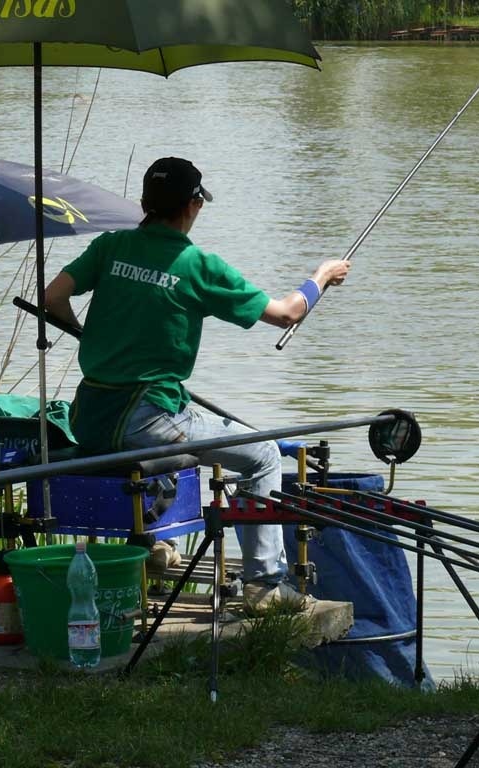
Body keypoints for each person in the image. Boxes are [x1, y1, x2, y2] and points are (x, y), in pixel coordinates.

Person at [44, 156, 350, 610]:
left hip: (89, 416)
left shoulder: (111, 247)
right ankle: (264, 586)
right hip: (148, 420)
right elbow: (288, 312)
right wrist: (322, 276)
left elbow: (52, 297)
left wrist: (87, 335)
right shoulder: (198, 265)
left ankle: (150, 546)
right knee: (263, 454)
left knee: (184, 429)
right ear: (193, 206)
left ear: (144, 203)